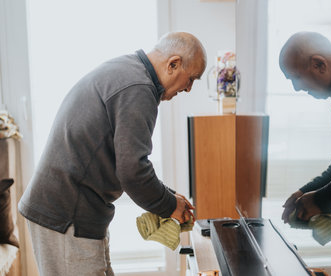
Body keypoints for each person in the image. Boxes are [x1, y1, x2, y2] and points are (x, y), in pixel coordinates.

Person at [18, 32, 207, 276]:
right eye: (191, 79)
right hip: (67, 214)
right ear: (173, 64)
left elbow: (125, 161)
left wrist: (168, 196)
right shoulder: (138, 89)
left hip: (73, 210)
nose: (189, 88)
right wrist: (170, 205)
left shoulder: (128, 71)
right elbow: (133, 172)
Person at [278, 31, 331, 223]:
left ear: (319, 64)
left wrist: (320, 199)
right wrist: (306, 192)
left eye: (296, 78)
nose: (296, 89)